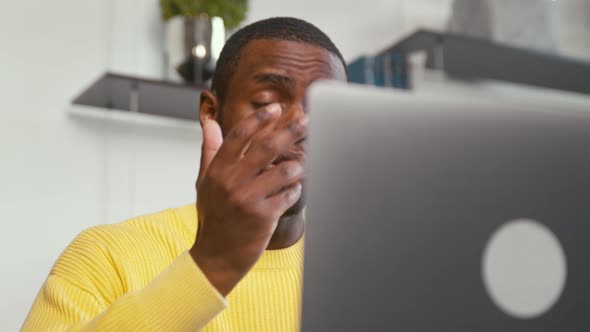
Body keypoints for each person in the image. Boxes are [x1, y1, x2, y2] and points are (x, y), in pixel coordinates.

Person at [22, 17, 347, 331]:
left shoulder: (364, 274)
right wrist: (211, 265)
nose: (300, 125)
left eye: (324, 108)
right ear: (211, 112)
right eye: (266, 103)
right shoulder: (106, 255)